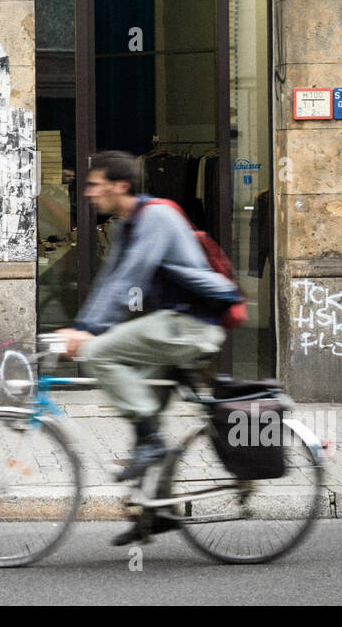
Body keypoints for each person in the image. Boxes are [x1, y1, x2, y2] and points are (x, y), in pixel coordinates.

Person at [52, 151, 245, 490]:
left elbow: (129, 277)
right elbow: (109, 280)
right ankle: (154, 510)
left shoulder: (153, 217)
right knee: (145, 408)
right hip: (175, 324)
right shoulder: (128, 223)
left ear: (120, 185)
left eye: (96, 185)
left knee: (100, 354)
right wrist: (83, 326)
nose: (88, 193)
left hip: (191, 325)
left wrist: (88, 334)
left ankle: (152, 443)